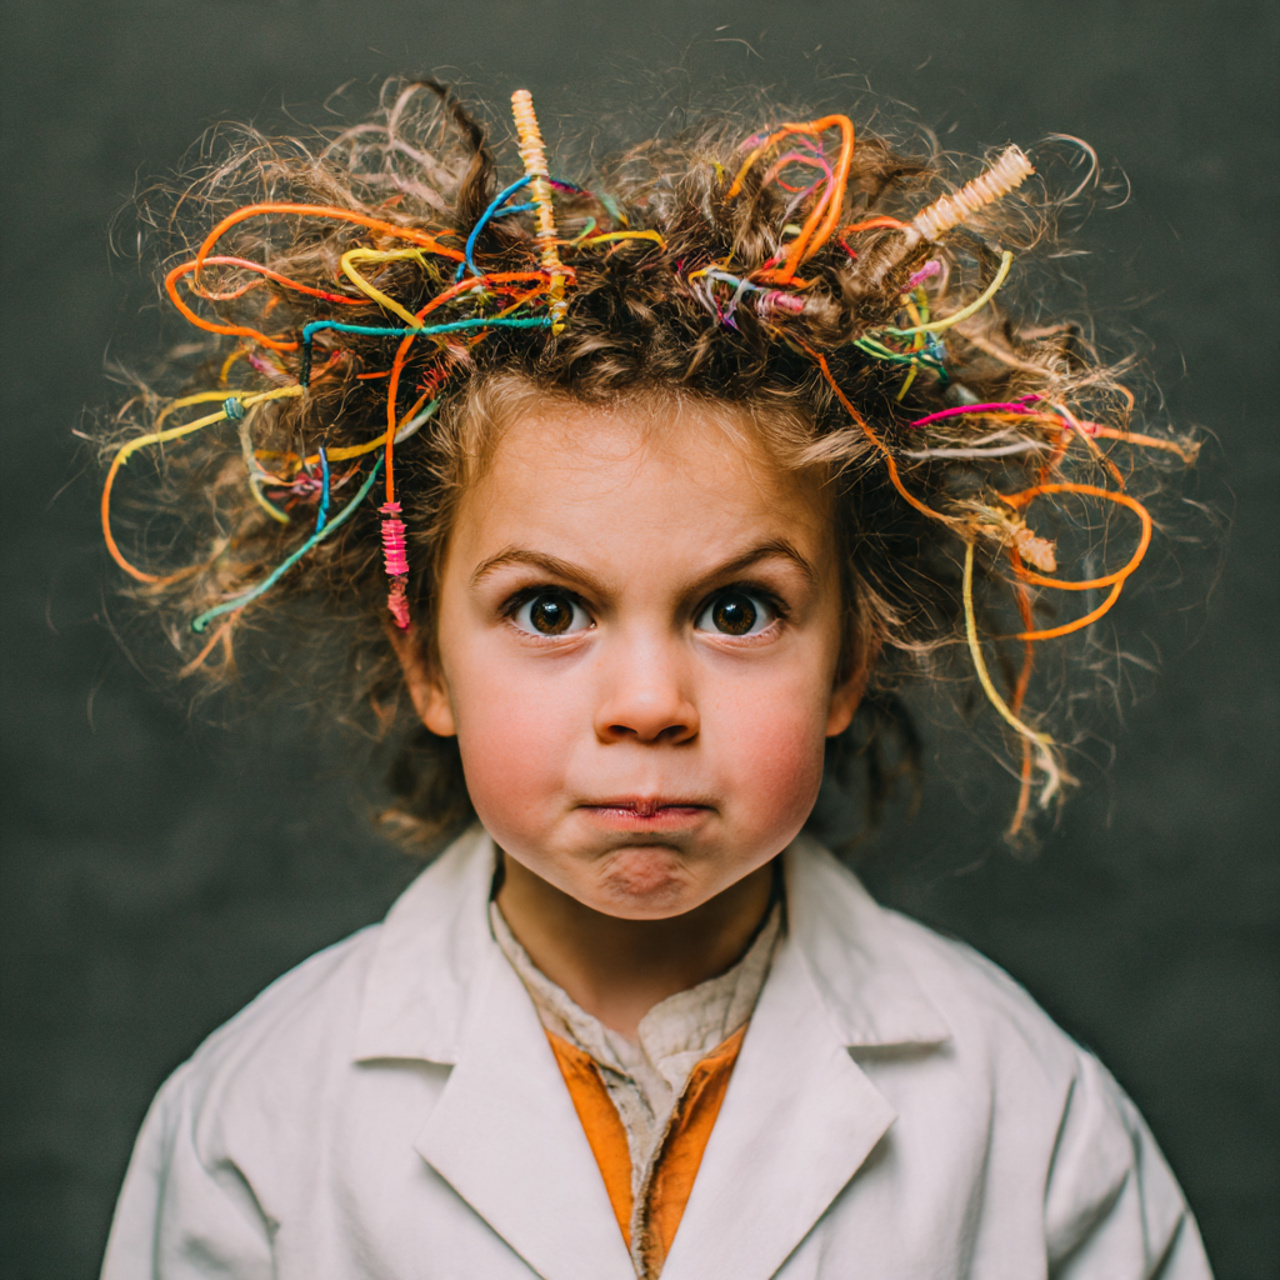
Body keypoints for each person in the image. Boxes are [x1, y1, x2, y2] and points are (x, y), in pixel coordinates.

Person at [97, 80, 1212, 1278]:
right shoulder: (255, 1128)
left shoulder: (1028, 1116)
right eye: (548, 608)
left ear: (849, 660)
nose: (647, 703)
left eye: (737, 610)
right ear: (425, 659)